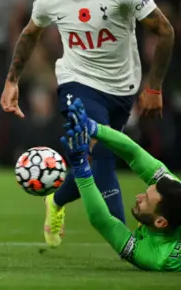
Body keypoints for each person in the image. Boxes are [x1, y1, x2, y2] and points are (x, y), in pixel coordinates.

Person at [0, 0, 175, 248]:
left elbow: (165, 31)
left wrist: (154, 87)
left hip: (123, 89)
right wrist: (12, 81)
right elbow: (30, 35)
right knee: (100, 154)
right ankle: (123, 238)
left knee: (99, 156)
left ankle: (56, 201)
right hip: (76, 81)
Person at [60, 98, 181, 271]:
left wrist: (81, 167)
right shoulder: (173, 189)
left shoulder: (155, 257)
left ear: (161, 222)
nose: (138, 197)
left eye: (145, 200)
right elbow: (135, 154)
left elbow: (102, 220)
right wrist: (93, 127)